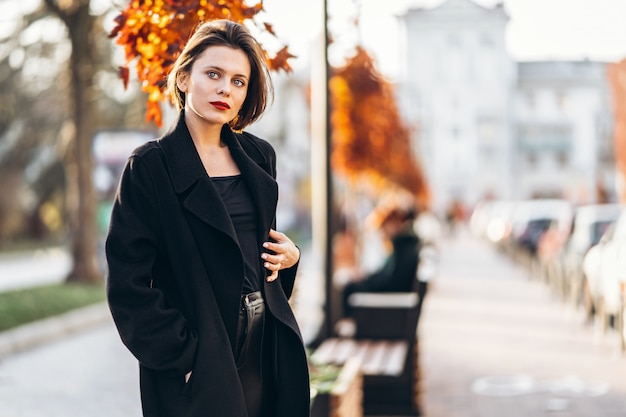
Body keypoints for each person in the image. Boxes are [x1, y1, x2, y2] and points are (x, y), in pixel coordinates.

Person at [105, 20, 310, 417]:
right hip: (200, 358)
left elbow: (254, 255)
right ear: (183, 77)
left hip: (265, 344)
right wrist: (183, 356)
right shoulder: (150, 167)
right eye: (213, 74)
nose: (225, 89)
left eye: (238, 81)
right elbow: (128, 285)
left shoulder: (258, 157)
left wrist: (290, 257)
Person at [341, 202, 421, 316]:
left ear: (395, 223)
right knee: (351, 286)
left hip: (391, 301)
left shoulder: (402, 246)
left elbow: (388, 279)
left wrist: (365, 280)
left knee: (349, 288)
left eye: (384, 227)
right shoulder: (407, 244)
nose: (383, 232)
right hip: (395, 296)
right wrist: (366, 276)